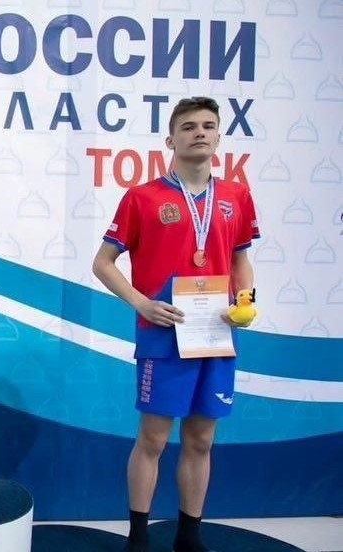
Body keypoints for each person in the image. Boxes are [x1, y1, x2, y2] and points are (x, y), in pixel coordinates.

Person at [92, 97, 260, 552]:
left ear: (219, 136)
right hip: (164, 335)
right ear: (170, 139)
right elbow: (103, 263)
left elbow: (240, 259)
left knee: (202, 439)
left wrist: (247, 300)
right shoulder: (142, 198)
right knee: (153, 438)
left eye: (207, 125)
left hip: (216, 333)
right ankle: (138, 538)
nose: (199, 132)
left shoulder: (236, 197)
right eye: (188, 127)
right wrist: (141, 304)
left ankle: (189, 536)